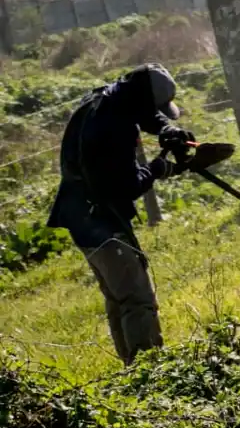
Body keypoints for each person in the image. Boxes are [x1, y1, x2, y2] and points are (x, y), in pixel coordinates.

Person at [45, 64, 191, 365]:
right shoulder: (112, 127)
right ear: (141, 99)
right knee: (137, 299)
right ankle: (149, 373)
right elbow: (125, 187)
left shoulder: (108, 99)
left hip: (81, 215)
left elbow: (145, 114)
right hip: (97, 218)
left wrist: (167, 129)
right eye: (155, 107)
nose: (155, 112)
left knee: (119, 298)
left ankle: (133, 371)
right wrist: (156, 169)